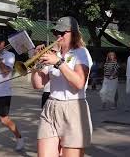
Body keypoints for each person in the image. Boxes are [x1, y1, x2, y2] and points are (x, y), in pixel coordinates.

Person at [31, 16, 93, 157]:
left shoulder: (81, 53)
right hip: (51, 106)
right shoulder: (54, 54)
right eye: (55, 33)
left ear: (74, 33)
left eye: (62, 33)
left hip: (74, 107)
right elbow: (38, 84)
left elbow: (79, 83)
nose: (58, 36)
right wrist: (36, 65)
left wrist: (58, 62)